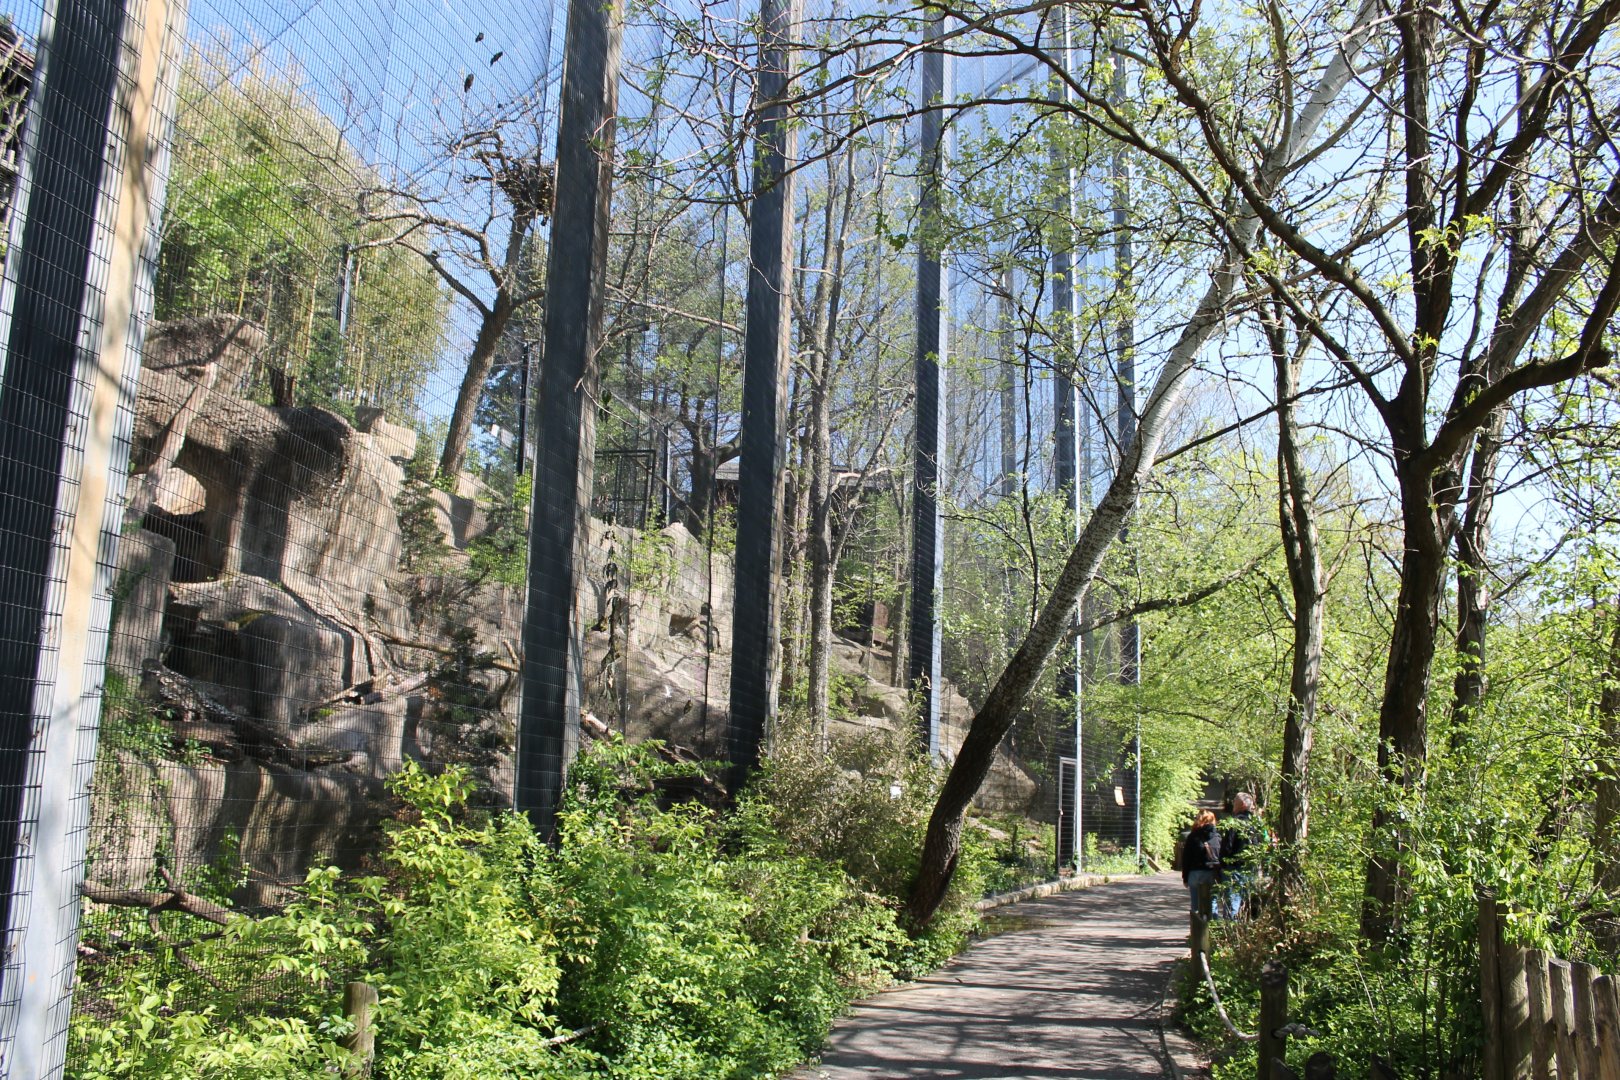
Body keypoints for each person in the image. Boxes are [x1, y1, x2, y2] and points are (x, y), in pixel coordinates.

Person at [1219, 792, 1268, 919]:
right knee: (1247, 903)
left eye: (1235, 801)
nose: (1233, 803)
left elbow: (1226, 847)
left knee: (1232, 904)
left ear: (1243, 805)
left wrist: (1223, 865)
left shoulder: (1233, 823)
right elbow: (1262, 844)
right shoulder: (1256, 824)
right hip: (1250, 869)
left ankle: (1231, 932)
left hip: (1234, 869)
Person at [1179, 809, 1222, 916]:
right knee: (1213, 903)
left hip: (1195, 873)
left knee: (1195, 905)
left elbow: (1186, 858)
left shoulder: (1193, 836)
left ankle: (1197, 929)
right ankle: (1213, 929)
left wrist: (1185, 877)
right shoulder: (1218, 837)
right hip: (1212, 872)